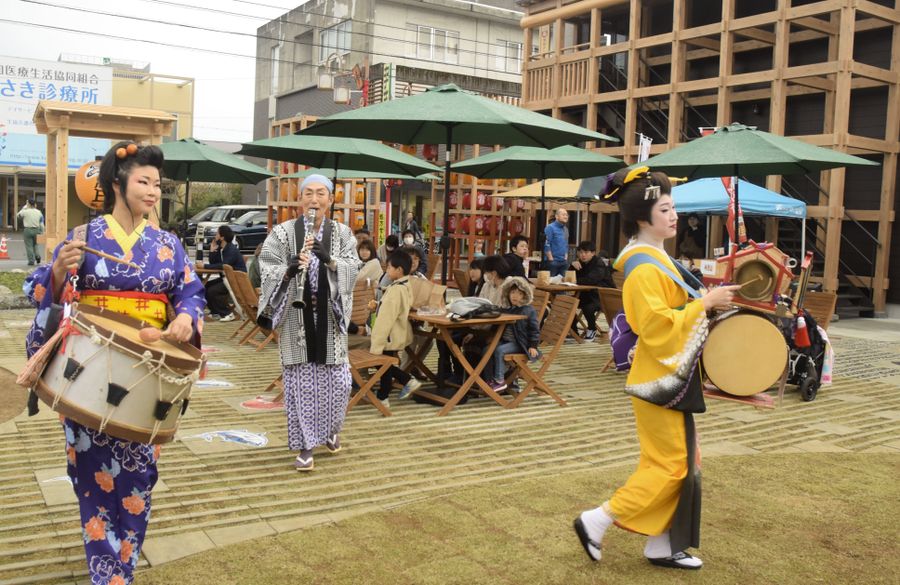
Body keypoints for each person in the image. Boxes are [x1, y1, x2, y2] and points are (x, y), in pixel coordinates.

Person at [22, 141, 205, 585]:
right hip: (91, 372)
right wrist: (61, 273)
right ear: (118, 183)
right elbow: (39, 289)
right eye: (144, 181)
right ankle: (110, 572)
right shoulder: (83, 239)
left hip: (147, 375)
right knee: (91, 476)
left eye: (157, 184)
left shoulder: (168, 245)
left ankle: (124, 558)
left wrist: (184, 315)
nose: (153, 191)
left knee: (139, 476)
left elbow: (191, 291)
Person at [572, 167, 739, 570]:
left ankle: (663, 544)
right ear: (643, 219)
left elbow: (673, 316)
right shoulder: (644, 268)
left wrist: (707, 303)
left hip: (667, 374)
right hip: (660, 378)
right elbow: (655, 326)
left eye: (673, 207)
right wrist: (704, 304)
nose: (674, 215)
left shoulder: (655, 259)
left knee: (675, 461)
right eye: (665, 209)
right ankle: (598, 519)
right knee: (672, 464)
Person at [257, 174, 358, 472]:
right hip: (296, 317)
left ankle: (330, 429)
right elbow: (266, 267)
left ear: (330, 200)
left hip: (329, 316)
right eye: (309, 193)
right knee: (302, 386)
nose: (314, 199)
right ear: (300, 198)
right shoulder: (283, 232)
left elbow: (353, 269)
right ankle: (305, 447)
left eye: (321, 194)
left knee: (340, 384)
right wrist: (287, 271)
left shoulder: (342, 233)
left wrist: (330, 261)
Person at [369, 250, 421, 408]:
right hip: (397, 333)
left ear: (399, 270)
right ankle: (383, 396)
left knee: (382, 364)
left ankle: (405, 381)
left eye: (390, 267)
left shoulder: (395, 290)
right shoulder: (405, 285)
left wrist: (377, 342)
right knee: (386, 365)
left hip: (389, 335)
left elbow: (386, 318)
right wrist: (378, 305)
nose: (387, 270)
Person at [485, 276, 540, 393]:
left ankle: (499, 380)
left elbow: (534, 330)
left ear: (525, 296)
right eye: (513, 292)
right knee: (487, 349)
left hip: (520, 343)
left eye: (519, 294)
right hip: (506, 341)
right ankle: (489, 378)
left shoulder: (528, 310)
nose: (515, 296)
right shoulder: (508, 309)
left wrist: (533, 345)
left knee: (499, 350)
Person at [198, 225, 246, 322]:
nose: (215, 236)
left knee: (213, 291)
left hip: (235, 280)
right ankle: (215, 312)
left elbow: (223, 265)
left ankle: (228, 313)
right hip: (227, 278)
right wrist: (212, 251)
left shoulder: (231, 250)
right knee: (206, 286)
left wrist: (204, 266)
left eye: (217, 234)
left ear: (222, 237)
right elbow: (215, 263)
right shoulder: (223, 249)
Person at [570, 241, 614, 341]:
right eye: (580, 252)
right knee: (569, 303)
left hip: (603, 296)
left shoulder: (599, 263)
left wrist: (575, 280)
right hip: (587, 294)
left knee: (587, 306)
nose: (583, 255)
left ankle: (592, 328)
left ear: (593, 253)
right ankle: (573, 330)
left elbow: (591, 280)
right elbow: (570, 276)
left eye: (586, 252)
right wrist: (572, 265)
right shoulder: (580, 263)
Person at [544, 208, 570, 277]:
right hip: (553, 261)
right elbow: (547, 244)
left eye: (567, 215)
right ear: (556, 216)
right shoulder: (550, 227)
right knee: (551, 283)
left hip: (563, 261)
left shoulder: (565, 229)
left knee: (563, 283)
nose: (566, 217)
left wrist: (566, 256)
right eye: (563, 215)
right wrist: (551, 258)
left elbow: (566, 244)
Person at [18, 199, 44, 266]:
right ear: (35, 204)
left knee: (29, 246)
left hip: (28, 230)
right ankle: (38, 256)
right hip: (37, 230)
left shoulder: (25, 211)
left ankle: (31, 261)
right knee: (35, 244)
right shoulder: (39, 212)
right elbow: (41, 223)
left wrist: (25, 207)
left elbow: (18, 215)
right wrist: (42, 231)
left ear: (28, 204)